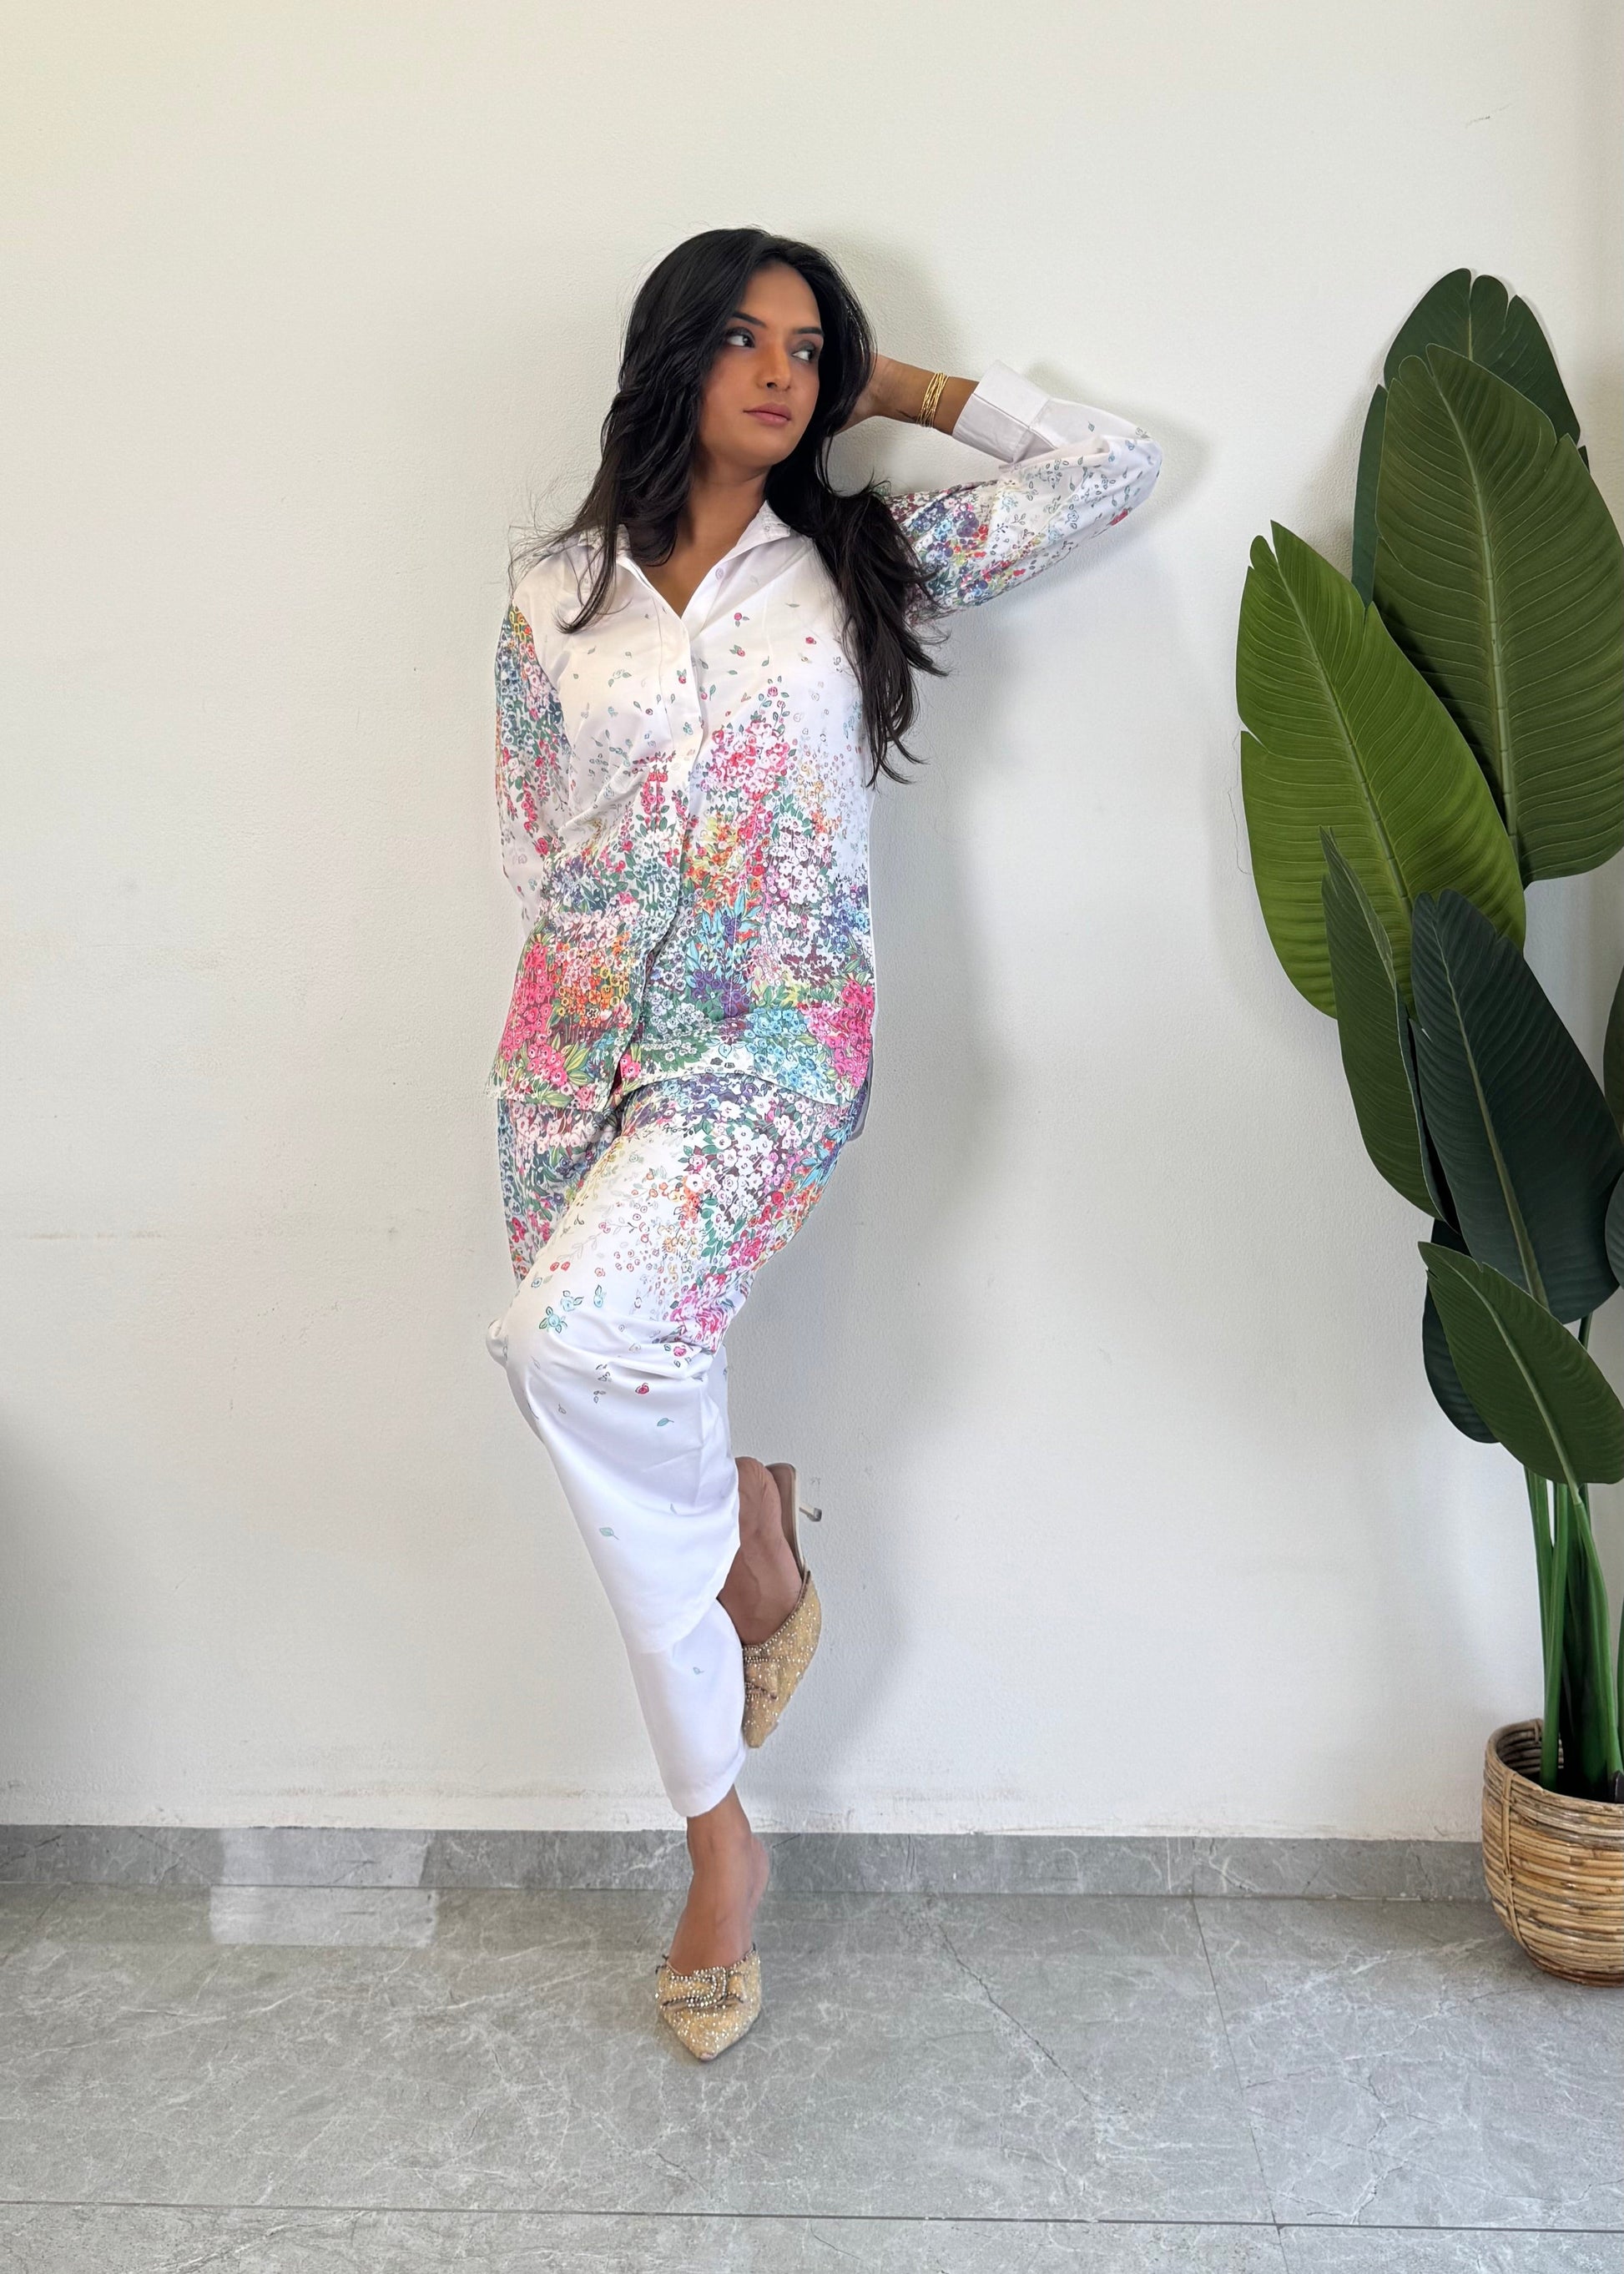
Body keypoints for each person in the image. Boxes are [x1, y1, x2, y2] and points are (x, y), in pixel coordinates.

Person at [483, 226, 1162, 2057]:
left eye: (808, 346)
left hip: (775, 1039)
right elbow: (532, 837)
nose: (781, 371)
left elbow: (1112, 471)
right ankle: (752, 1539)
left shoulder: (863, 561)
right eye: (744, 339)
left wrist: (904, 385)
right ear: (669, 357)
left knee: (570, 1344)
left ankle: (721, 1833)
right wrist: (566, 1034)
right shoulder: (550, 593)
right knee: (604, 1392)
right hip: (567, 1049)